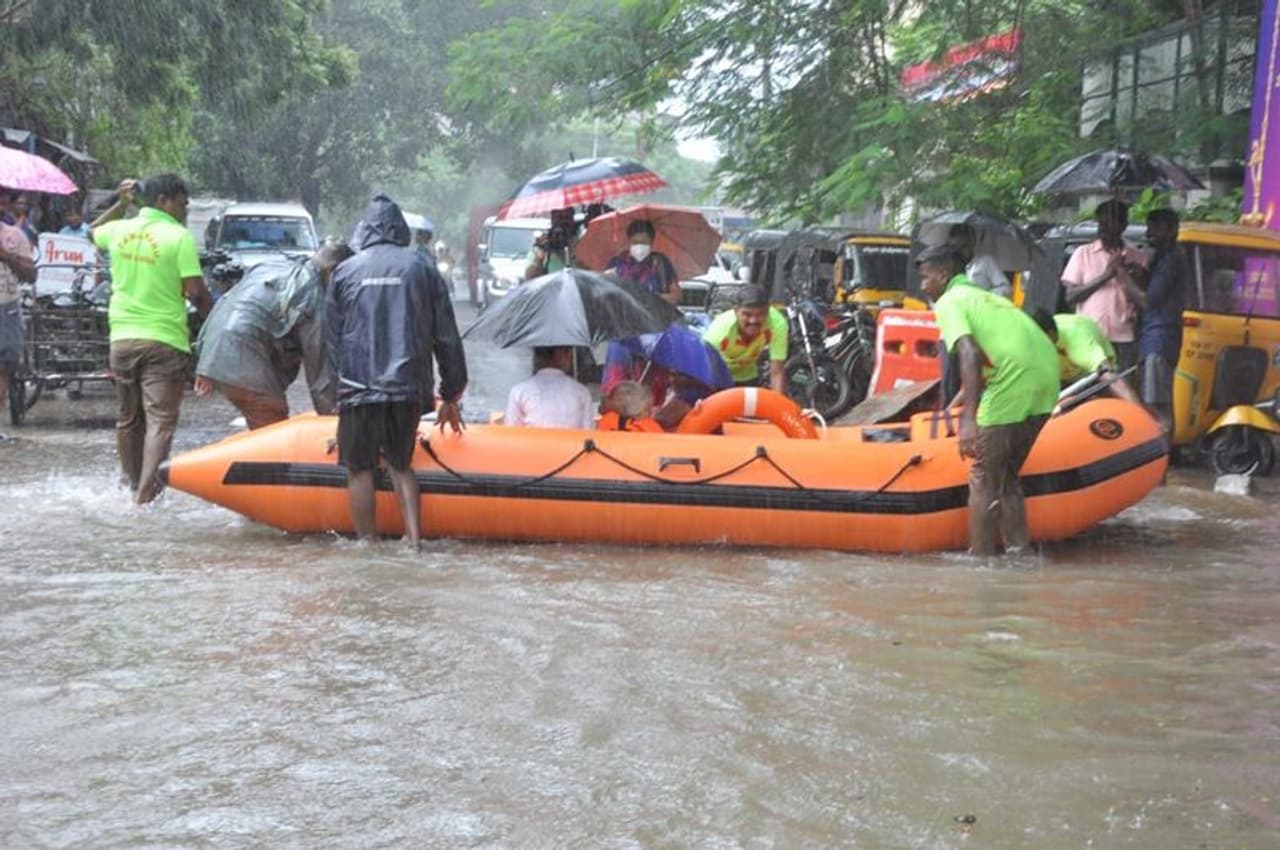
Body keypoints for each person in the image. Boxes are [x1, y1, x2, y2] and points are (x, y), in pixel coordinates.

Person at [327, 194, 467, 549]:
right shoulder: (422, 268)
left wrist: (334, 396)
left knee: (359, 469)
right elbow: (446, 335)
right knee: (401, 464)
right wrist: (451, 392)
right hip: (406, 387)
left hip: (357, 387)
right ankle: (414, 543)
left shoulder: (345, 271)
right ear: (401, 230)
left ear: (365, 231)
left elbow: (331, 342)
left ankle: (367, 544)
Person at [917, 244, 1059, 557]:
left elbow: (968, 352)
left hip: (1014, 381)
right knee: (1005, 476)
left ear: (943, 275)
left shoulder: (951, 301)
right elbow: (985, 355)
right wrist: (959, 401)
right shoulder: (986, 296)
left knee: (982, 475)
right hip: (1047, 377)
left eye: (926, 278)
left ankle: (980, 560)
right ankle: (1019, 550)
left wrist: (969, 420)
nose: (922, 286)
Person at [89, 175, 212, 504]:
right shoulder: (177, 236)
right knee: (160, 421)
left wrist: (122, 203)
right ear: (164, 200)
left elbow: (91, 232)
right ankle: (146, 497)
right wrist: (214, 320)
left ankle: (132, 487)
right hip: (163, 341)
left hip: (122, 339)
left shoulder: (120, 229)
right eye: (182, 203)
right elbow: (196, 292)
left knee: (128, 419)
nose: (185, 211)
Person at [194, 242, 354, 428]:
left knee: (262, 417)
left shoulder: (274, 266)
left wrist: (205, 360)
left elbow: (228, 299)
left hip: (215, 344)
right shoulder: (312, 293)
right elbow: (319, 371)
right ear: (333, 271)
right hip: (242, 354)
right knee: (271, 418)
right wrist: (335, 425)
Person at [1061, 199, 1147, 373]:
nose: (1103, 229)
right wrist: (1106, 276)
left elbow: (1143, 299)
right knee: (1089, 391)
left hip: (1123, 337)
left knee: (1121, 388)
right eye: (1100, 223)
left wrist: (1126, 273)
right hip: (1089, 338)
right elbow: (1070, 297)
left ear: (1122, 226)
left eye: (1109, 224)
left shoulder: (1137, 257)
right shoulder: (1083, 254)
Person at [1125, 209, 1187, 433]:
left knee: (1156, 405)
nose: (1150, 234)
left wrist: (1121, 276)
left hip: (1158, 338)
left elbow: (1147, 301)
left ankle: (1161, 456)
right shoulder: (1161, 259)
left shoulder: (1170, 260)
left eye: (1157, 229)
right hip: (1154, 336)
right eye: (1149, 228)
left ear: (1172, 231)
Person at [1031, 309, 1141, 405]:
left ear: (1050, 334)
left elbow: (1109, 376)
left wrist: (1140, 413)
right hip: (1063, 380)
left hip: (1094, 377)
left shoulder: (1079, 339)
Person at [702, 284, 788, 394]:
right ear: (736, 311)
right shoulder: (720, 330)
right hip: (718, 376)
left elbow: (777, 372)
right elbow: (704, 371)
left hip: (747, 375)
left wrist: (779, 405)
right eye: (747, 314)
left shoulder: (778, 324)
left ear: (768, 310)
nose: (753, 320)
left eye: (761, 314)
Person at [504, 345, 594, 429]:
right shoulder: (582, 392)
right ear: (561, 354)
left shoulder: (519, 391)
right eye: (569, 354)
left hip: (531, 445)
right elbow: (589, 436)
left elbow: (511, 434)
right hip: (572, 445)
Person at [0, 209, 35, 422]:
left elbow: (31, 275)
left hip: (7, 309)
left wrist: (5, 255)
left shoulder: (15, 235)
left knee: (4, 367)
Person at [607, 219, 679, 304]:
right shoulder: (617, 263)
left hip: (654, 315)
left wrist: (652, 297)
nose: (639, 246)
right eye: (635, 242)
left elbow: (676, 296)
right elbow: (606, 295)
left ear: (651, 243)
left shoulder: (661, 263)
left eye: (644, 243)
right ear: (628, 241)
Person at [947, 223, 1011, 298]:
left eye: (964, 246)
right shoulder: (949, 265)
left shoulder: (986, 261)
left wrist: (984, 296)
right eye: (956, 248)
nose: (961, 251)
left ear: (973, 242)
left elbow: (1005, 288)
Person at [597, 380, 664, 432]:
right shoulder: (651, 427)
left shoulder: (607, 420)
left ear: (620, 402)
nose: (604, 398)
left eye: (610, 396)